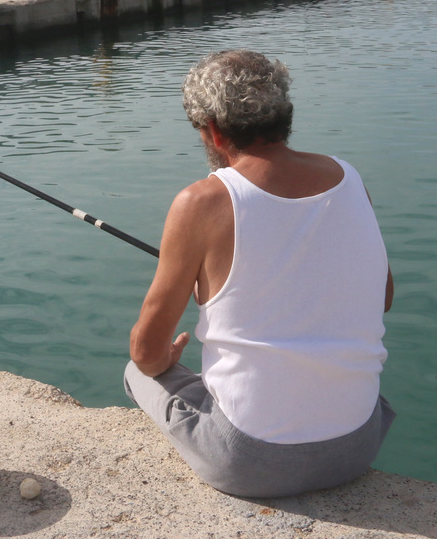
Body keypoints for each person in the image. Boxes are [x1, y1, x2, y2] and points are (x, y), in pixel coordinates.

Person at [125, 49, 395, 498]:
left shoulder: (201, 202)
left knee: (137, 373)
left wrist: (167, 362)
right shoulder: (348, 177)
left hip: (251, 464)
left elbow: (147, 351)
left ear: (211, 129)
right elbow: (381, 297)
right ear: (282, 115)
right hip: (359, 445)